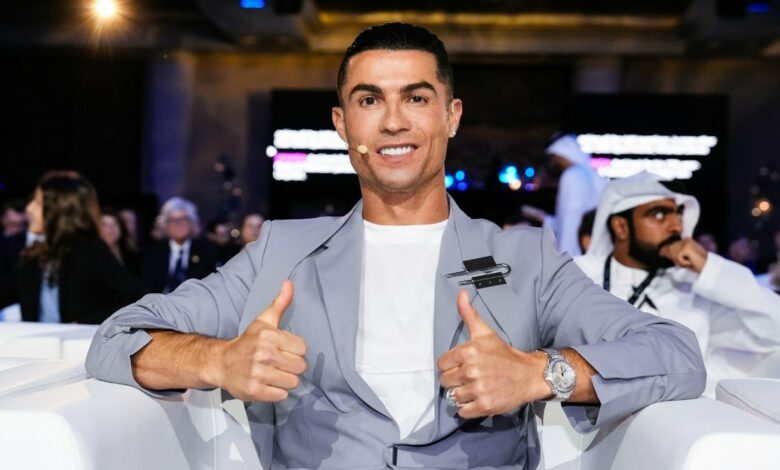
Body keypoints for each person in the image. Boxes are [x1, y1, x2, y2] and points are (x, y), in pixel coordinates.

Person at [87, 23, 705, 469]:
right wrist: (219, 362)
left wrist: (540, 373)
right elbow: (118, 339)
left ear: (451, 116)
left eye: (416, 97)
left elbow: (677, 355)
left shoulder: (525, 258)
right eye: (368, 100)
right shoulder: (280, 251)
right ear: (342, 124)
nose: (393, 121)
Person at [575, 171, 780, 397]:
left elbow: (775, 328)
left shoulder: (694, 291)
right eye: (659, 214)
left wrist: (709, 267)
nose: (676, 226)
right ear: (621, 227)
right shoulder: (577, 276)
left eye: (678, 214)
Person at [14, 171, 144, 324]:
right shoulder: (33, 253)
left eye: (37, 203)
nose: (29, 209)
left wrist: (85, 323)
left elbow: (137, 300)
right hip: (36, 338)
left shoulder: (90, 250)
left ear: (57, 210)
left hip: (78, 339)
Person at [522, 134, 606, 257]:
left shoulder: (572, 175)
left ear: (562, 154)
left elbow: (571, 222)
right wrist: (544, 218)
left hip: (575, 256)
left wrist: (564, 259)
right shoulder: (593, 176)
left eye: (554, 157)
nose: (552, 161)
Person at [140, 197, 218, 293]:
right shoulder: (152, 253)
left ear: (192, 223)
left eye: (183, 219)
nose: (178, 224)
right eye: (172, 220)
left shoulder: (206, 252)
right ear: (166, 225)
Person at [100, 209, 140, 276]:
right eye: (105, 225)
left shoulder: (132, 255)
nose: (111, 228)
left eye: (115, 224)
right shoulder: (92, 257)